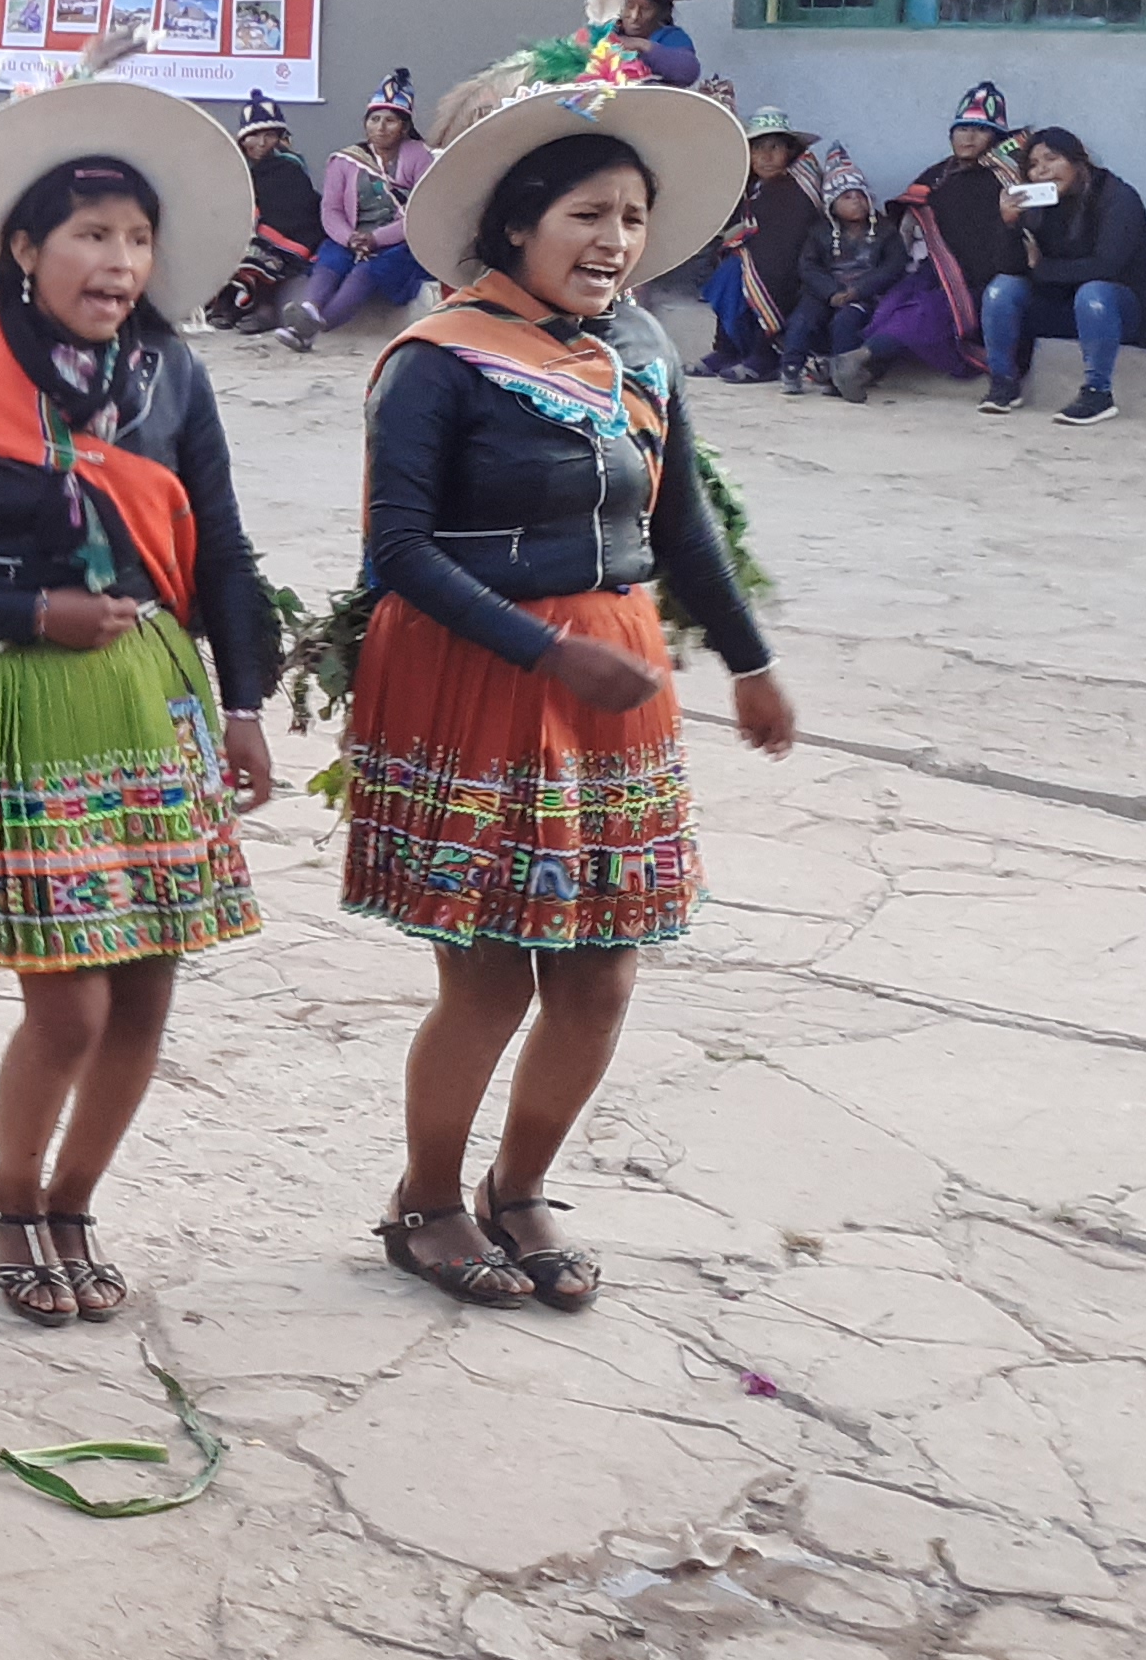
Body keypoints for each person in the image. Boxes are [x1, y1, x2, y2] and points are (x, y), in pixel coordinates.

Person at [335, 82, 790, 1309]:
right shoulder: (437, 362)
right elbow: (403, 556)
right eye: (589, 214)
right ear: (519, 226)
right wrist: (547, 655)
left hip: (615, 672)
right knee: (488, 973)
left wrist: (748, 662)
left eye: (634, 218)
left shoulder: (638, 346)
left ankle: (520, 1186)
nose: (616, 242)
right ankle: (424, 1199)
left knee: (603, 970)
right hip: (476, 676)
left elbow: (678, 520)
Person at [0, 66, 276, 1325]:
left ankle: (73, 1204)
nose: (117, 260)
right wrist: (33, 611)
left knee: (151, 986)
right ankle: (10, 1198)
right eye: (91, 235)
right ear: (25, 249)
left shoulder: (172, 382)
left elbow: (218, 542)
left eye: (137, 237)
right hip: (18, 708)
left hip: (151, 699)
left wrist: (247, 700)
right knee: (75, 991)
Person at [981, 126, 1146, 426]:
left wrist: (1042, 268)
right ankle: (1004, 384)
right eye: (1033, 166)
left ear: (1079, 161)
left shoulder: (1117, 197)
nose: (1042, 171)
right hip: (1067, 306)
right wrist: (1009, 225)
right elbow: (1010, 268)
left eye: (1052, 159)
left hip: (1126, 310)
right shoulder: (1038, 205)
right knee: (1001, 290)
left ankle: (1097, 394)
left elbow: (1106, 267)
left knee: (1094, 294)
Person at [846, 80, 1016, 396]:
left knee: (926, 312)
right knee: (891, 305)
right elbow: (909, 215)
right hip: (929, 270)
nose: (968, 137)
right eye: (962, 128)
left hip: (978, 280)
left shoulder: (1003, 179)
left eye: (980, 130)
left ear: (995, 138)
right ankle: (859, 368)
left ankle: (857, 361)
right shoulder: (939, 173)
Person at [276, 72, 431, 347]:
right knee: (331, 258)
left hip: (399, 243)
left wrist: (376, 239)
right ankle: (309, 308)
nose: (381, 127)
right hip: (352, 237)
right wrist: (350, 238)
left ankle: (314, 327)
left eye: (390, 120)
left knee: (366, 271)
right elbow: (331, 210)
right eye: (374, 119)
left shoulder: (419, 157)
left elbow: (421, 212)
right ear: (365, 124)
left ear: (405, 127)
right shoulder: (345, 160)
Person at [694, 109, 821, 383]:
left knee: (758, 274)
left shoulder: (797, 189)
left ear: (790, 150)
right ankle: (726, 350)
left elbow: (787, 241)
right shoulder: (752, 187)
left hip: (792, 269)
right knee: (729, 274)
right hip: (753, 264)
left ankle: (765, 356)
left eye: (774, 147)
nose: (766, 157)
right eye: (757, 149)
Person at [200, 92, 323, 333]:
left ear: (280, 137)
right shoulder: (231, 167)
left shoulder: (290, 167)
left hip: (288, 232)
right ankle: (226, 303)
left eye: (269, 135)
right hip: (243, 227)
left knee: (259, 250)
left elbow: (298, 211)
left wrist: (261, 227)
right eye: (253, 135)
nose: (261, 143)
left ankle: (263, 307)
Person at [779, 156, 898, 397]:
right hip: (824, 292)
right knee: (802, 319)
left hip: (864, 294)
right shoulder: (819, 232)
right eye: (847, 197)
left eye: (861, 195)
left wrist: (859, 290)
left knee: (846, 322)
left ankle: (841, 375)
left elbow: (893, 266)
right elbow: (808, 267)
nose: (857, 202)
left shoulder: (885, 231)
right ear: (832, 204)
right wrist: (830, 292)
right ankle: (791, 368)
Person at [583, 0, 705, 89]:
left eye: (646, 9)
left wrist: (642, 45)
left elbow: (688, 71)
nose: (635, 16)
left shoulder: (672, 37)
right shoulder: (605, 34)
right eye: (629, 6)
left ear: (662, 12)